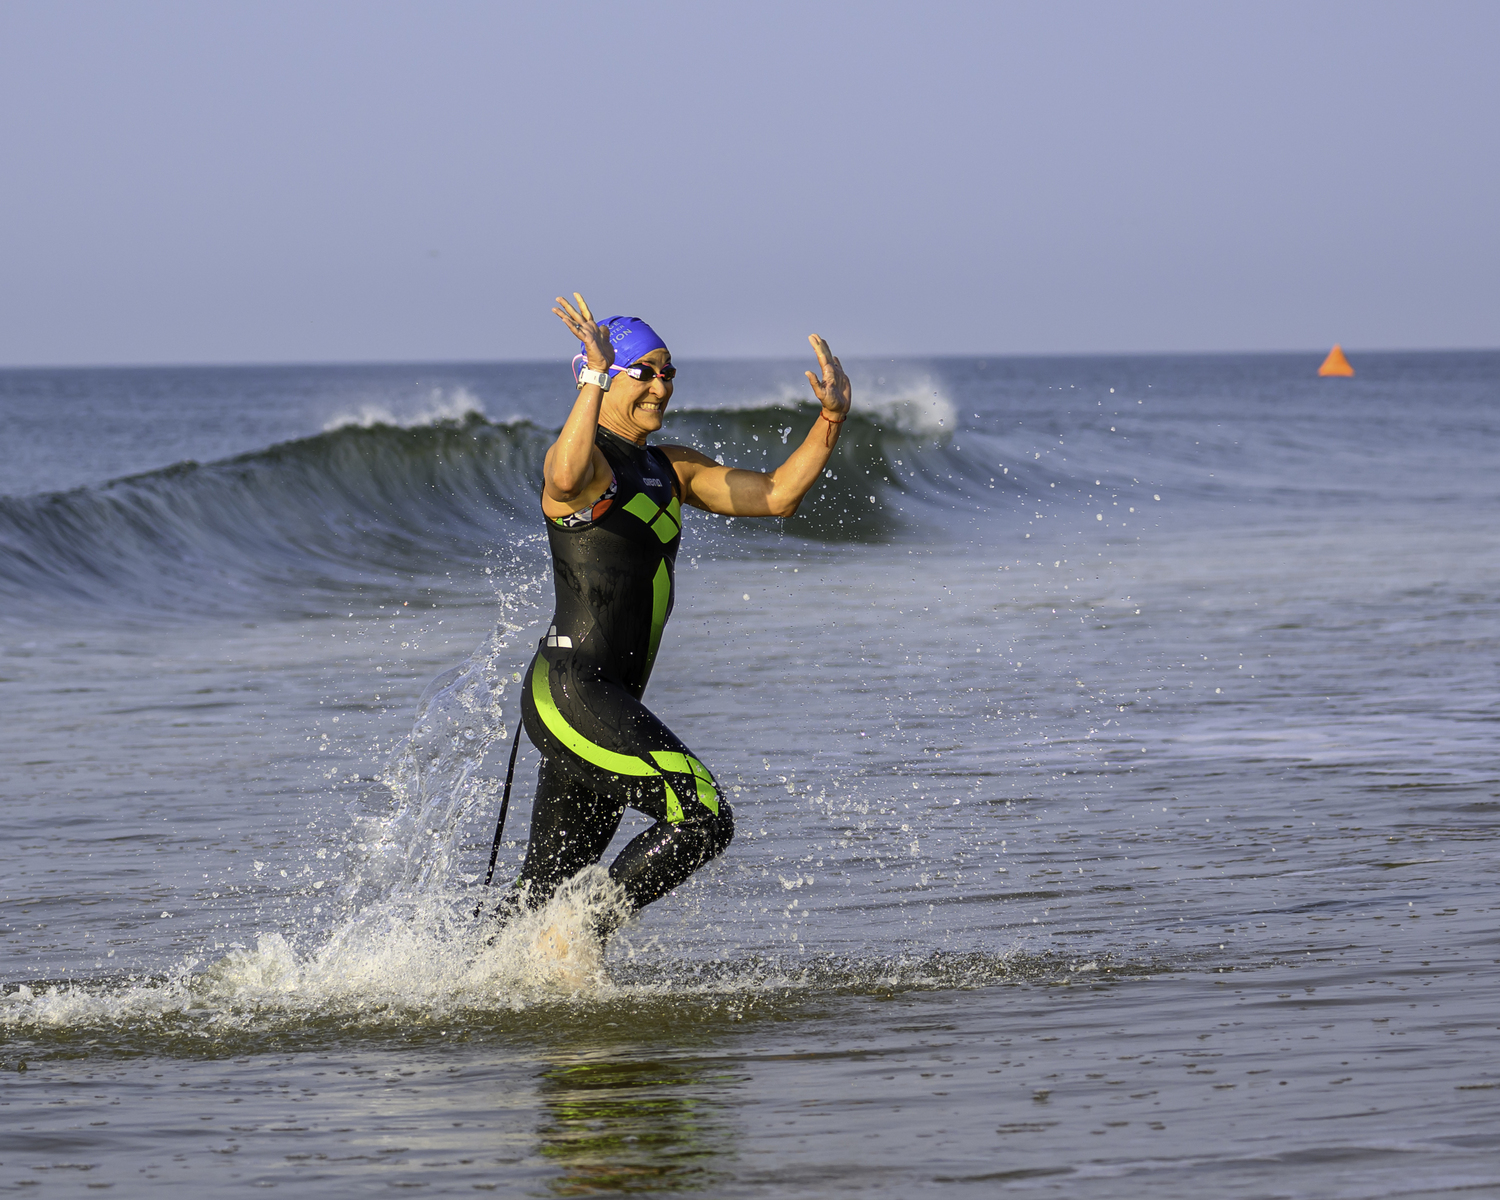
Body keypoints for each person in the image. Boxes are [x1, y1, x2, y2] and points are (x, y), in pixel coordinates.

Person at [497, 292, 852, 940]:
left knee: (539, 896)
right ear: (601, 375)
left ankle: (465, 993)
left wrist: (831, 418)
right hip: (571, 689)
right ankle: (577, 938)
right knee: (702, 815)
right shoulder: (590, 466)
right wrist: (595, 379)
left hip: (606, 702)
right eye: (646, 372)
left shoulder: (669, 468)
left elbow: (775, 496)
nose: (661, 386)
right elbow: (562, 470)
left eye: (668, 373)